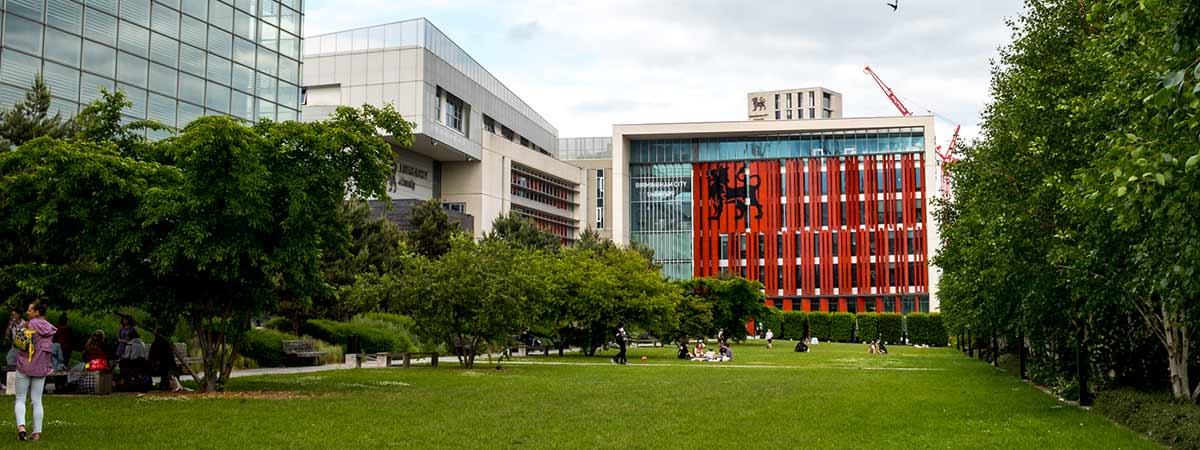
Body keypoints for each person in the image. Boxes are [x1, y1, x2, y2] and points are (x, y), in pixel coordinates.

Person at [13, 300, 57, 441]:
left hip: (24, 365)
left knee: (20, 398)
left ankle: (21, 427)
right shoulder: (49, 328)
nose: (27, 312)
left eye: (30, 310)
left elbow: (19, 344)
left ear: (37, 312)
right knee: (37, 400)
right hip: (41, 367)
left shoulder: (28, 324)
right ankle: (37, 433)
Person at [3, 308, 25, 391]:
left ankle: (21, 385)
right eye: (11, 315)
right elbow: (7, 335)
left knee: (21, 365)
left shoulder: (24, 324)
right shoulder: (12, 324)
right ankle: (11, 385)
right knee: (10, 361)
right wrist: (9, 327)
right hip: (14, 348)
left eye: (14, 314)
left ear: (19, 315)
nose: (12, 316)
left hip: (22, 348)